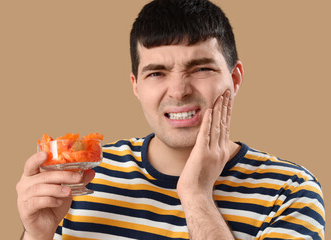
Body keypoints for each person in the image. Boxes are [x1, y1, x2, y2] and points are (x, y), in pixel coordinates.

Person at [16, 0, 325, 239]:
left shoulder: (291, 191)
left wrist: (196, 195)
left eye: (201, 68)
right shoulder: (83, 179)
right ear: (136, 86)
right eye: (157, 73)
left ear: (234, 78)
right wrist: (37, 234)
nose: (178, 91)